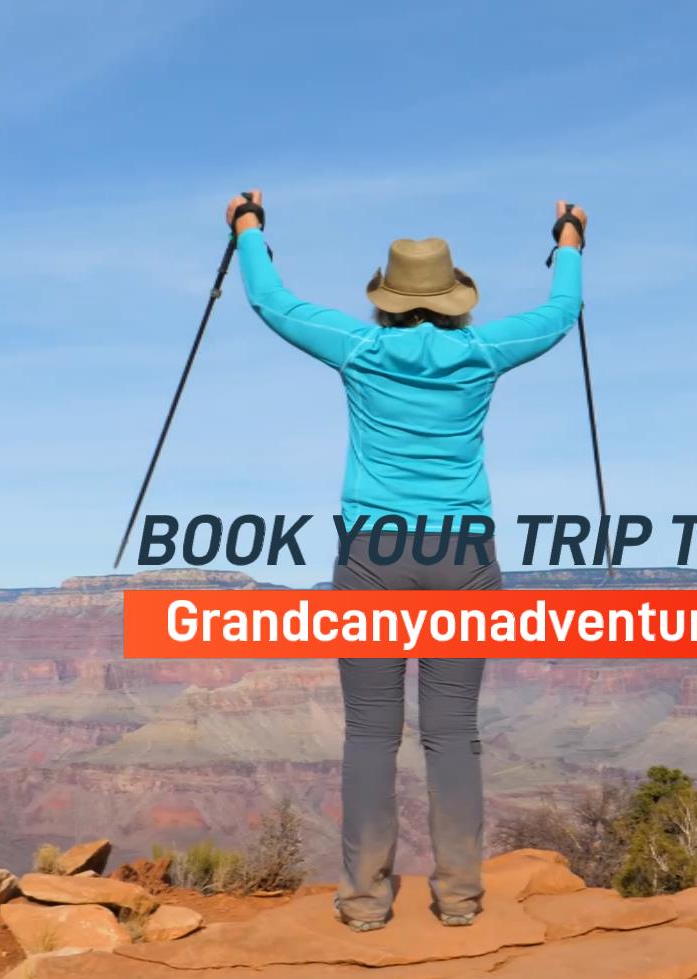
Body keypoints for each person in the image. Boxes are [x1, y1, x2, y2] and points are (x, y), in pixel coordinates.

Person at [226, 190, 586, 930]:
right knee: (452, 731)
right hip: (463, 557)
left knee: (370, 733)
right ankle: (458, 898)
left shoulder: (359, 348)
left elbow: (269, 300)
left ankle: (363, 901)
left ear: (388, 299)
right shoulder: (484, 351)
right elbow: (561, 314)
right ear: (454, 299)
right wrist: (570, 239)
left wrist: (248, 227)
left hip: (372, 559)